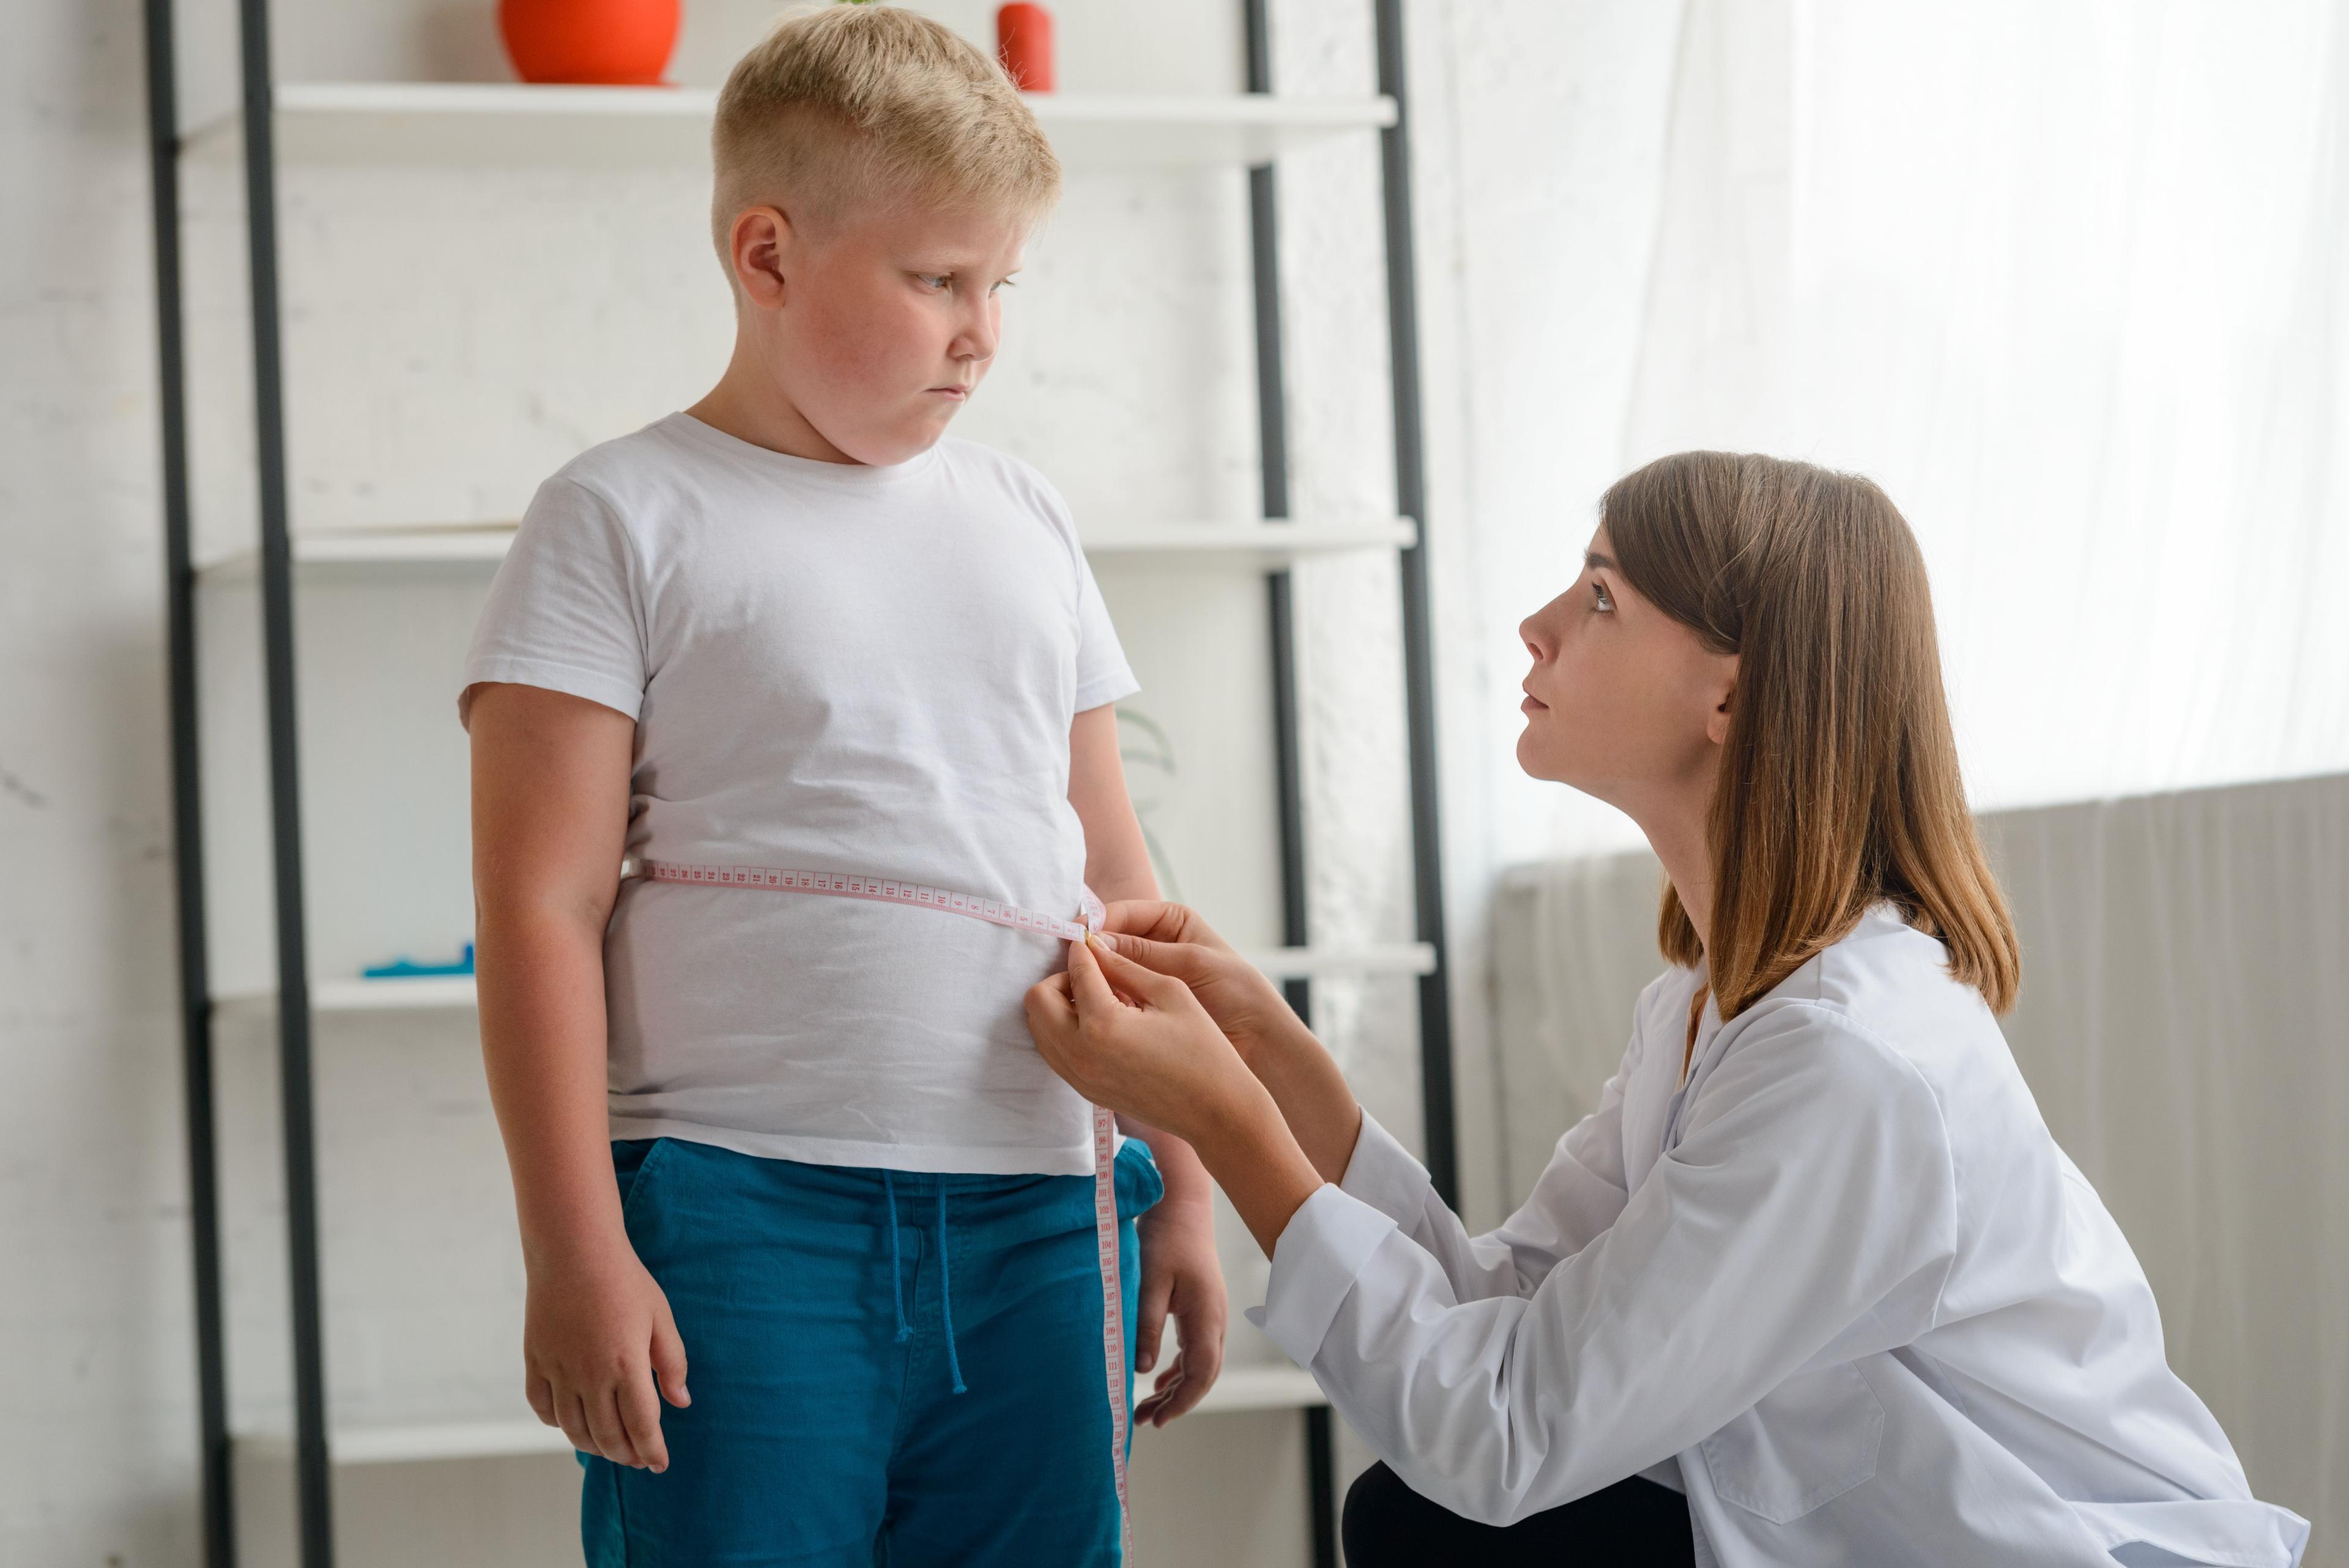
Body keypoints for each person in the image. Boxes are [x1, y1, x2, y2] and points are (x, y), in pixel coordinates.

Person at [1025, 451, 2310, 1567]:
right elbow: (1503, 1307)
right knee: (1419, 1524)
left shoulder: (1844, 1064)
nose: (1536, 627)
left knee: (1443, 1528)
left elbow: (1506, 1432)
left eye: (1598, 597)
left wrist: (1226, 1123)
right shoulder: (1713, 1008)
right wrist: (1276, 1055)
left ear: (1733, 695)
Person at [461, 9, 1226, 1564]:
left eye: (1000, 284)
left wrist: (1185, 1188)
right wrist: (574, 1249)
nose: (980, 331)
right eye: (937, 278)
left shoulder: (1026, 521)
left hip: (1034, 1214)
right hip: (742, 1217)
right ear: (768, 256)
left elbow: (1122, 885)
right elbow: (540, 905)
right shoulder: (619, 517)